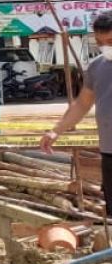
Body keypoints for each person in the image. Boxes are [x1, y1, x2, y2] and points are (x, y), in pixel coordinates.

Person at [42, 11, 112, 213]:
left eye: (110, 40)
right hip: (109, 152)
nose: (105, 47)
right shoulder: (97, 67)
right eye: (100, 42)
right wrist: (56, 130)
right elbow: (82, 103)